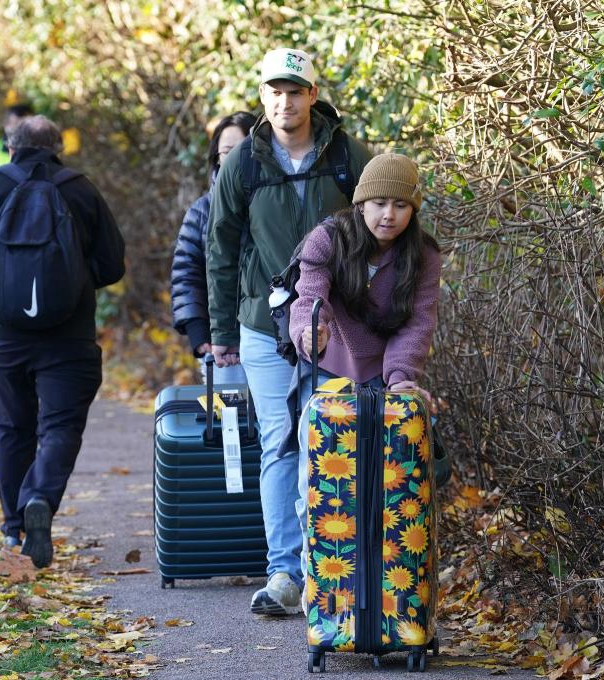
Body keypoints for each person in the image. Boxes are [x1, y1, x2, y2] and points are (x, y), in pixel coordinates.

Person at [206, 48, 372, 615]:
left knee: (324, 441)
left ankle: (327, 570)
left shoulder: (349, 155)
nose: (285, 101)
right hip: (263, 324)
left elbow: (385, 232)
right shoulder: (244, 164)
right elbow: (219, 249)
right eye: (275, 92)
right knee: (280, 441)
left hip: (336, 327)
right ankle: (284, 574)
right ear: (262, 98)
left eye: (295, 91)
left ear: (312, 94)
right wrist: (222, 331)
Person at [0, 115, 125, 568]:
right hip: (69, 335)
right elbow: (113, 262)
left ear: (10, 145)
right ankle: (40, 496)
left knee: (11, 425)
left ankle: (12, 528)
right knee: (61, 426)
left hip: (3, 335)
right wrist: (76, 286)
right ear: (59, 146)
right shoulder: (80, 189)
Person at [282, 153, 442, 593]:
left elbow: (418, 321)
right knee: (317, 479)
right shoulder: (327, 239)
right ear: (360, 204)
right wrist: (309, 330)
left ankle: (381, 588)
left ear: (413, 210)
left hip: (384, 373)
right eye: (378, 204)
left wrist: (402, 376)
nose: (389, 215)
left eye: (401, 205)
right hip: (327, 366)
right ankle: (317, 580)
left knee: (384, 483)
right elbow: (308, 297)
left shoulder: (423, 255)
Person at [170, 111, 255, 384]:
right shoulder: (202, 211)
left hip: (274, 341)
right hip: (221, 347)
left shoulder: (272, 207)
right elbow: (186, 272)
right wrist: (199, 332)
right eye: (225, 152)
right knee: (229, 423)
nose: (231, 160)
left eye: (240, 150)